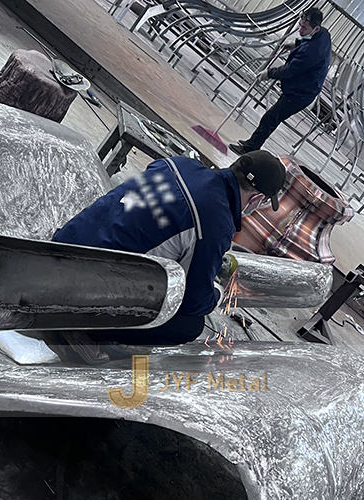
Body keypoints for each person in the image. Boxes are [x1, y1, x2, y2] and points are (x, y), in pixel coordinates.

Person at [51, 150, 286, 359]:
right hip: (82, 290)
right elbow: (193, 301)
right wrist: (217, 292)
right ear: (256, 199)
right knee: (188, 325)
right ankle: (89, 329)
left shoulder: (179, 163)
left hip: (59, 248)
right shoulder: (216, 223)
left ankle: (82, 315)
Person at [229, 7, 331, 155]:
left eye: (304, 28)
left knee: (271, 118)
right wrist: (297, 43)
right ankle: (250, 146)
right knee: (272, 117)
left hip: (301, 94)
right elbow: (308, 43)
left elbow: (289, 70)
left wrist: (269, 73)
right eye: (300, 25)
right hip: (302, 85)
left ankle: (249, 148)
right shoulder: (323, 34)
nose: (300, 29)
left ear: (316, 28)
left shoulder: (311, 52)